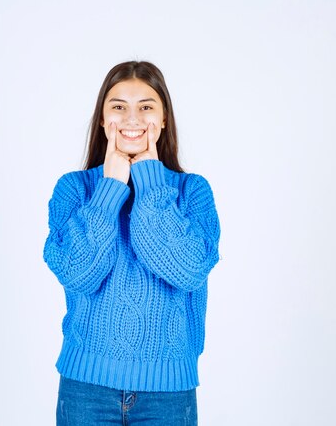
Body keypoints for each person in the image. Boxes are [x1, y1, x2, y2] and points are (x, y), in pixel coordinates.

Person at [43, 61, 220, 425]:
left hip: (168, 394)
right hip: (86, 390)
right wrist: (110, 188)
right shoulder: (75, 189)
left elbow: (186, 270)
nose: (132, 118)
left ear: (164, 119)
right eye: (119, 106)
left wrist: (150, 181)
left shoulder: (192, 191)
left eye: (146, 106)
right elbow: (79, 274)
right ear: (103, 118)